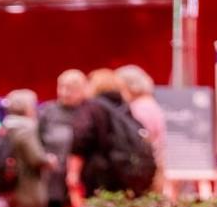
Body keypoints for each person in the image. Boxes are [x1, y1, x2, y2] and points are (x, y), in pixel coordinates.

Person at [0, 89, 56, 207]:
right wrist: (50, 160)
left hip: (11, 186)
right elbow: (36, 158)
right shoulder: (25, 130)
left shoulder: (6, 127)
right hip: (27, 188)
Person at [36, 69, 86, 207]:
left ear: (83, 89)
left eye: (70, 88)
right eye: (61, 87)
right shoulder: (47, 112)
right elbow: (36, 141)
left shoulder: (88, 112)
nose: (64, 92)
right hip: (51, 181)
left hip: (79, 183)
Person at [71, 69, 131, 198]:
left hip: (97, 173)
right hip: (123, 170)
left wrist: (73, 172)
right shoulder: (124, 107)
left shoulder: (92, 107)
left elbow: (81, 140)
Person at [116, 64, 166, 194]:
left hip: (146, 170)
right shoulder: (150, 104)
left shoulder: (139, 109)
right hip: (155, 166)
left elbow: (141, 143)